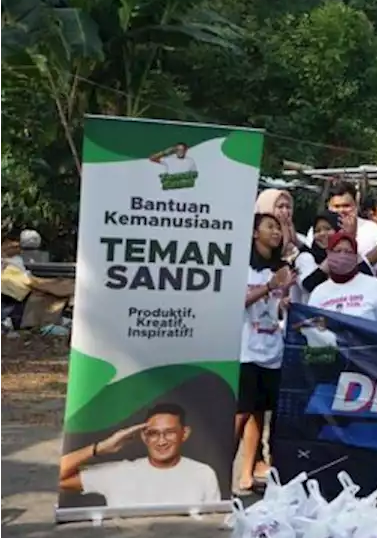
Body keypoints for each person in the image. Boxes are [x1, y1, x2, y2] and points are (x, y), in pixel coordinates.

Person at [58, 404, 222, 507]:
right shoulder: (119, 472)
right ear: (144, 437)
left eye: (169, 433)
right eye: (153, 434)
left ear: (184, 433)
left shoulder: (203, 474)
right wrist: (100, 448)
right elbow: (58, 477)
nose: (161, 441)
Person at [236, 213, 293, 492]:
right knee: (240, 413)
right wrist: (269, 287)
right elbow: (237, 302)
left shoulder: (280, 268)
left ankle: (248, 474)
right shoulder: (240, 267)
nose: (276, 232)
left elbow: (279, 308)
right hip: (246, 350)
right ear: (254, 232)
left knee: (261, 414)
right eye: (269, 227)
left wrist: (284, 300)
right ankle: (221, 475)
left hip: (274, 350)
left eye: (278, 228)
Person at [309, 231, 377, 325]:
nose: (342, 256)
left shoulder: (374, 286)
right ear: (328, 254)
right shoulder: (318, 293)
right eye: (337, 251)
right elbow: (312, 330)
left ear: (355, 256)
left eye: (348, 252)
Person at [314, 180, 377, 261]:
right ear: (328, 207)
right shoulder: (317, 231)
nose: (341, 210)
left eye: (346, 206)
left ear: (356, 205)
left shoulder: (373, 229)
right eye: (336, 206)